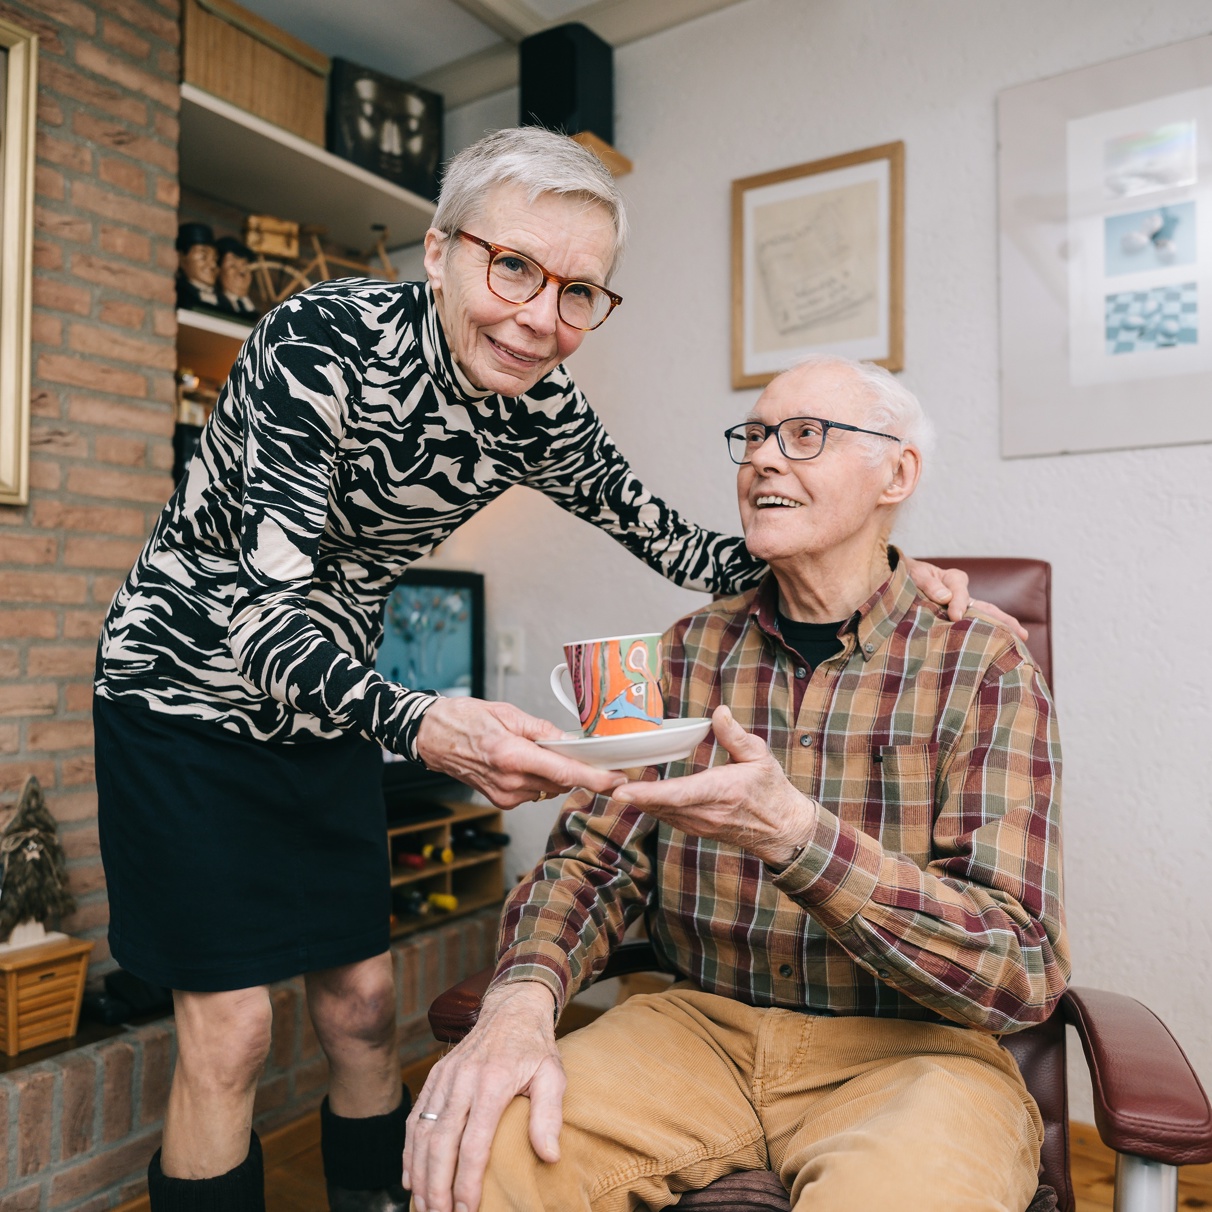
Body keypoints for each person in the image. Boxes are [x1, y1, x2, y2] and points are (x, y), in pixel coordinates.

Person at [95, 128, 996, 1212]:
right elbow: (265, 618)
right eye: (513, 267)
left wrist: (887, 569)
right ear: (439, 252)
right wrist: (424, 722)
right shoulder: (316, 345)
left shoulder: (540, 408)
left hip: (327, 704)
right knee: (234, 1029)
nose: (541, 318)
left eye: (580, 292)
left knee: (365, 1007)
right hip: (186, 690)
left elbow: (687, 547)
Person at [404, 354, 1067, 1212]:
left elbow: (1019, 965)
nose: (761, 459)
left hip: (915, 1055)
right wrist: (522, 999)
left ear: (896, 472)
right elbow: (589, 864)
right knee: (476, 1157)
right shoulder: (682, 653)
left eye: (804, 436)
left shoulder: (983, 662)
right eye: (752, 436)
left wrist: (798, 839)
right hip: (692, 1031)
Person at [175, 221, 219, 311]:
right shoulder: (178, 294)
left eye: (214, 259)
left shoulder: (225, 302)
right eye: (203, 257)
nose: (213, 265)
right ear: (181, 258)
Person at [214, 235, 258, 318]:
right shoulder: (214, 304)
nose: (241, 271)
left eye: (245, 265)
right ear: (217, 270)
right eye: (232, 266)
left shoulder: (254, 309)